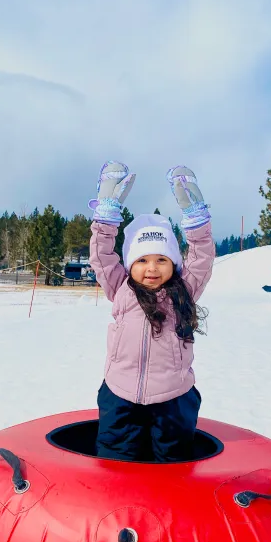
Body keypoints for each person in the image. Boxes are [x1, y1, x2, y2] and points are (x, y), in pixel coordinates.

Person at [88, 162, 215, 462]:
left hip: (173, 401)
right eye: (143, 260)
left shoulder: (184, 291)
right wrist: (106, 214)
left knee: (172, 466)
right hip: (120, 397)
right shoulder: (120, 287)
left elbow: (202, 258)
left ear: (174, 263)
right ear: (131, 264)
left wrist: (196, 220)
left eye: (161, 259)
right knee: (115, 461)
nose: (152, 268)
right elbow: (102, 255)